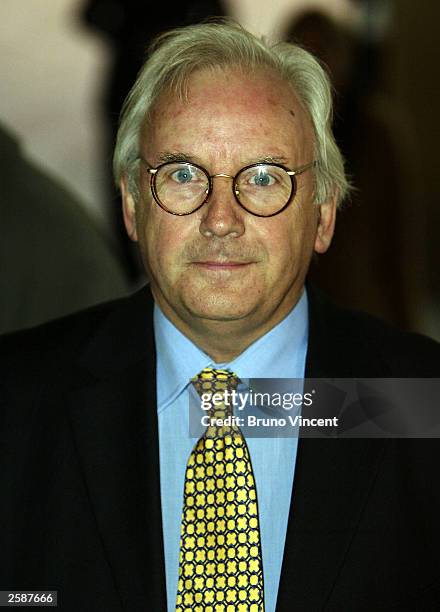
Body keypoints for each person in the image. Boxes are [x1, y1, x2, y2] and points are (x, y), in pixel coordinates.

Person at [1, 21, 439, 612]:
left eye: (264, 178)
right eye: (183, 174)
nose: (221, 219)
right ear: (131, 203)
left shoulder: (418, 403)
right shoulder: (17, 401)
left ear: (325, 212)